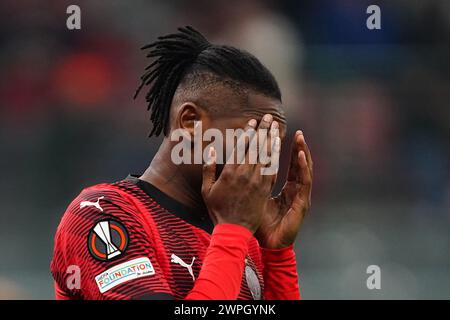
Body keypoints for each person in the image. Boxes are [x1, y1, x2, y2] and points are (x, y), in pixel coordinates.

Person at [51, 26, 313, 300]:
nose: (266, 157)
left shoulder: (240, 241)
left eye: (274, 143)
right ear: (190, 123)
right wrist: (233, 232)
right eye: (255, 137)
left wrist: (277, 254)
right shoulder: (102, 214)